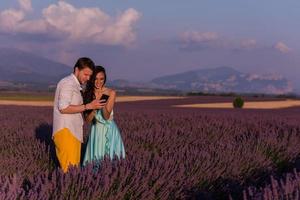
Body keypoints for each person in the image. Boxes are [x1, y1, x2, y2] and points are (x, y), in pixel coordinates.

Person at [52, 57, 106, 172]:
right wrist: (88, 106)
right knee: (69, 171)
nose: (87, 78)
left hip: (72, 132)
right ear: (77, 70)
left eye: (89, 76)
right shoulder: (68, 83)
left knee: (73, 170)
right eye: (85, 74)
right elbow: (63, 107)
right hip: (66, 131)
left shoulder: (75, 85)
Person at [83, 66, 125, 166]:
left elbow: (106, 116)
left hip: (109, 130)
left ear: (105, 79)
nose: (98, 82)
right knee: (94, 164)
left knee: (111, 162)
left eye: (101, 79)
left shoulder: (111, 93)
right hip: (96, 130)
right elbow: (87, 120)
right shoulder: (88, 94)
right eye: (95, 79)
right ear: (92, 79)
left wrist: (102, 101)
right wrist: (93, 107)